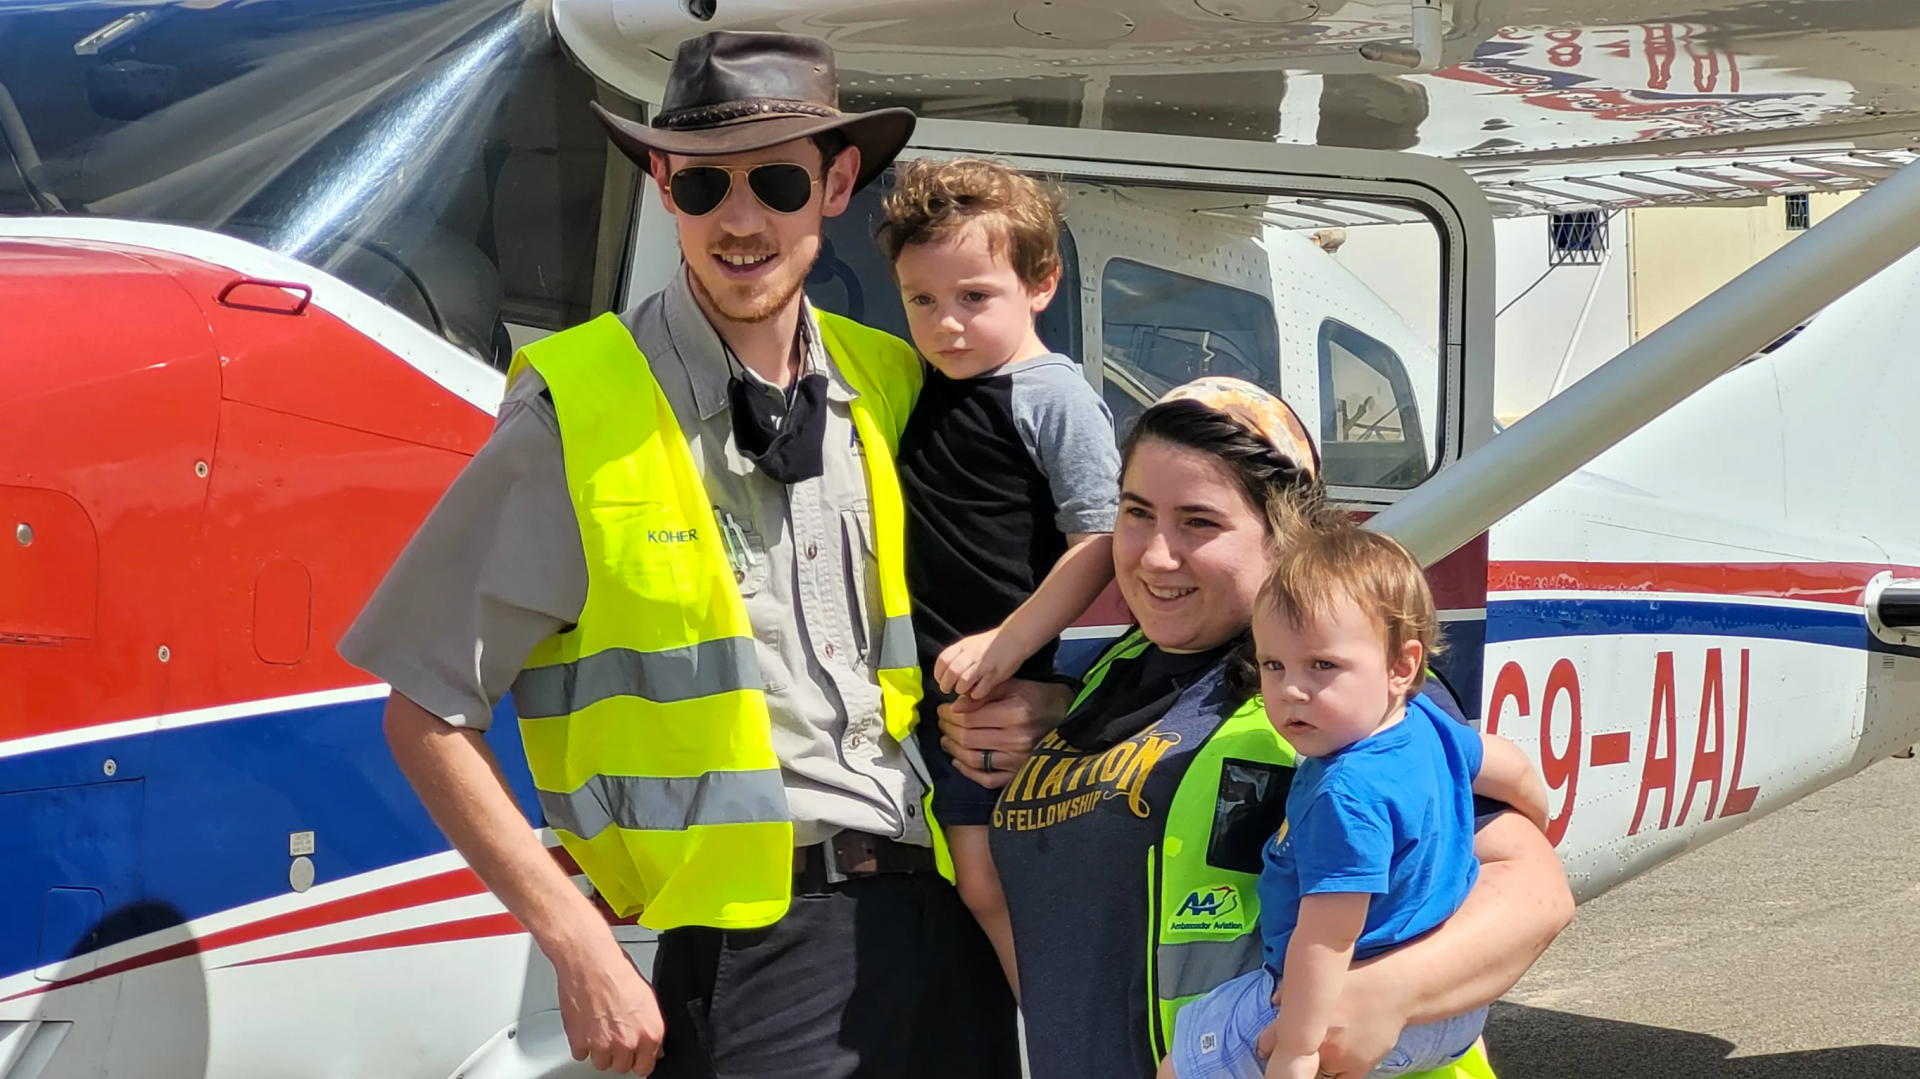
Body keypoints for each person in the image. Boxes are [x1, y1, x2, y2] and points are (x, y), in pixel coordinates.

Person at [340, 30, 1050, 1079]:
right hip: (755, 945)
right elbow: (425, 709)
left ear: (836, 184)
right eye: (705, 186)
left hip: (941, 915)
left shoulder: (893, 381)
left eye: (775, 180)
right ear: (664, 187)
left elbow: (1000, 590)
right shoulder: (575, 410)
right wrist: (576, 944)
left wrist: (1037, 705)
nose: (742, 218)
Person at [983, 377, 1575, 1079]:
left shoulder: (1339, 698)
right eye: (1137, 512)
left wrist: (1385, 995)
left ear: (1281, 533)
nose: (1154, 554)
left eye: (1199, 522)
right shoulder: (1114, 675)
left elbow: (1535, 890)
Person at [1164, 510, 1550, 1079]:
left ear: (1401, 664)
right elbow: (1511, 768)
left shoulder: (1341, 793)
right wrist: (1538, 818)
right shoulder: (1428, 723)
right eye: (1273, 664)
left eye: (1323, 665)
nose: (1292, 689)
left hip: (1344, 1003)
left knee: (1180, 1067)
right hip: (1454, 1011)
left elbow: (1327, 935)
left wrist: (1297, 1049)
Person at [875, 156, 1122, 994]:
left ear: (1041, 283)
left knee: (986, 878)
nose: (946, 324)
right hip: (927, 682)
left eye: (974, 297)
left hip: (991, 682)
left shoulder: (1052, 394)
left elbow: (1099, 540)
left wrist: (1005, 645)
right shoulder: (926, 385)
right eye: (923, 300)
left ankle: (1064, 1041)